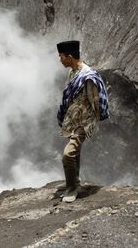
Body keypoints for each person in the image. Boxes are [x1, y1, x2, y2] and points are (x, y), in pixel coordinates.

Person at [56, 40, 109, 203]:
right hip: (73, 120)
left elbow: (96, 102)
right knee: (75, 153)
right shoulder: (73, 72)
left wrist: (90, 125)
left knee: (68, 154)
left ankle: (72, 189)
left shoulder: (88, 77)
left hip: (83, 123)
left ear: (69, 57)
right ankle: (74, 183)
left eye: (61, 57)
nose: (60, 60)